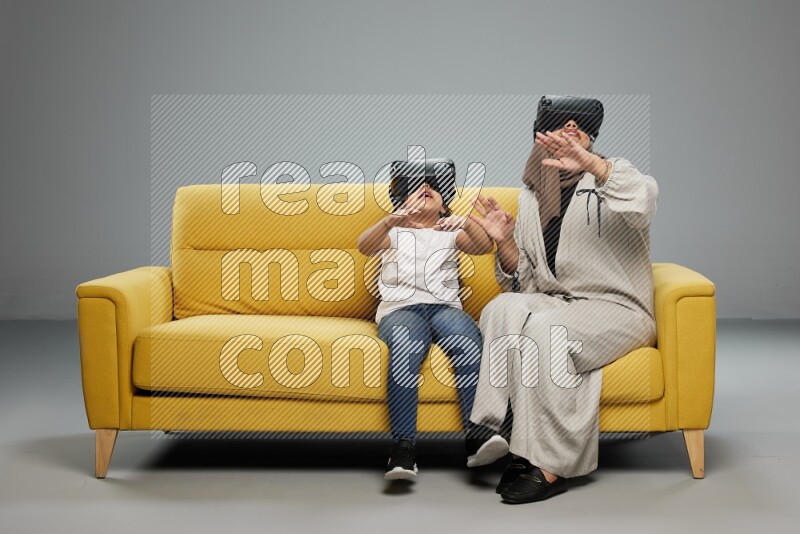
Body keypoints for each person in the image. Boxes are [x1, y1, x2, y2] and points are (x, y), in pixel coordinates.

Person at [465, 116, 659, 504]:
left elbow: (644, 202)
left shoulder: (614, 176)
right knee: (501, 308)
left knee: (545, 332)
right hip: (559, 301)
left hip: (617, 308)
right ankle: (494, 427)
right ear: (541, 136)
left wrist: (592, 165)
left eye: (580, 120)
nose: (571, 122)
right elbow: (526, 280)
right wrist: (505, 242)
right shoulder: (532, 198)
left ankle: (552, 465)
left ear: (592, 136)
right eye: (559, 119)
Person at [357, 176, 494, 480]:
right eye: (416, 189)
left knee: (468, 342)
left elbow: (484, 246)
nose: (425, 188)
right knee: (405, 349)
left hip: (445, 309)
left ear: (444, 208)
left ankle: (477, 438)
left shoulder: (450, 233)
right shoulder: (395, 233)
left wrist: (465, 222)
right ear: (402, 204)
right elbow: (364, 246)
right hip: (401, 310)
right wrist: (389, 222)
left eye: (433, 187)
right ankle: (403, 449)